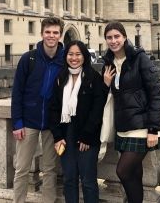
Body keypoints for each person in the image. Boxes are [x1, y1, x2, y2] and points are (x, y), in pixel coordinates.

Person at [101, 21, 160, 203]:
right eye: (109, 37)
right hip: (123, 126)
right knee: (134, 174)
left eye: (116, 37)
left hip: (142, 127)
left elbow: (157, 94)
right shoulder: (108, 64)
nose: (113, 41)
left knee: (123, 170)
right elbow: (105, 97)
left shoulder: (140, 59)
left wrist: (153, 129)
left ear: (124, 37)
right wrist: (105, 84)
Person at [11, 17, 65, 203]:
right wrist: (17, 122)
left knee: (50, 169)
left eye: (55, 32)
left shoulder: (65, 60)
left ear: (60, 35)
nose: (51, 36)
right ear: (42, 33)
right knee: (22, 168)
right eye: (48, 32)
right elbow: (17, 92)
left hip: (52, 123)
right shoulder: (29, 59)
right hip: (29, 121)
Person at [49, 40, 107, 203]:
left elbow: (97, 109)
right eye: (70, 54)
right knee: (69, 179)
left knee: (88, 181)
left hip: (87, 136)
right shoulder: (61, 78)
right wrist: (57, 136)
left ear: (84, 56)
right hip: (65, 135)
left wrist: (87, 136)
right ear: (65, 56)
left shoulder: (93, 77)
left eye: (78, 54)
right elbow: (53, 109)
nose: (74, 58)